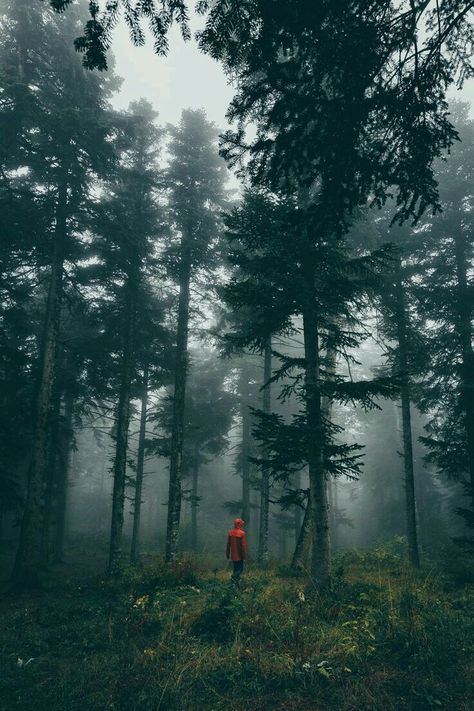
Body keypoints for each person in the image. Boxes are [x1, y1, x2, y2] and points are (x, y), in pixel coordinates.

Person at [226, 518, 247, 584]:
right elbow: (243, 546)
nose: (242, 525)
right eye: (241, 524)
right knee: (240, 569)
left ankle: (235, 584)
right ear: (240, 524)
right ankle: (233, 577)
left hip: (233, 556)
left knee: (235, 569)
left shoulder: (230, 533)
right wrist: (244, 556)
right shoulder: (242, 533)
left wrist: (227, 554)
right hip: (240, 555)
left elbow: (228, 545)